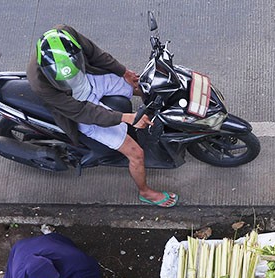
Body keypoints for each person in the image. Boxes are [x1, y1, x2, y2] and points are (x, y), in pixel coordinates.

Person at [28, 25, 178, 208]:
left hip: (90, 80)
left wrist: (124, 72)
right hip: (79, 107)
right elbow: (83, 111)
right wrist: (126, 117)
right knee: (136, 154)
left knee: (140, 85)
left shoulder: (67, 34)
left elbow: (96, 55)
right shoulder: (40, 83)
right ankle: (145, 192)